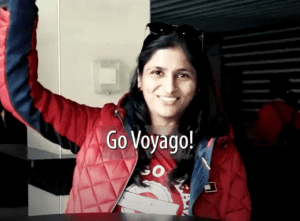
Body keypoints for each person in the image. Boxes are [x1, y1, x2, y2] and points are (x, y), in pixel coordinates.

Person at [0, 0, 251, 220]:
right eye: (157, 72)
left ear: (197, 85)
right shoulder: (99, 128)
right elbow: (19, 97)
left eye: (183, 75)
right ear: (140, 79)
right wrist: (18, 7)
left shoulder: (222, 155)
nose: (169, 86)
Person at [253, 74, 300, 147]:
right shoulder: (294, 112)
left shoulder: (264, 110)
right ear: (287, 90)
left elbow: (257, 137)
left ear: (271, 91)